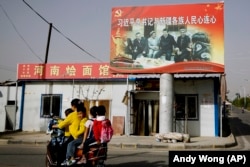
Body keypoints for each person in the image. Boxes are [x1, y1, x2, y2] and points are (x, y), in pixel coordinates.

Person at [52, 98, 83, 166]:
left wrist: (54, 126)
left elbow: (62, 124)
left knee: (61, 149)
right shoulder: (82, 113)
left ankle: (62, 163)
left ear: (73, 106)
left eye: (71, 106)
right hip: (82, 135)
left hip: (74, 136)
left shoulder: (72, 115)